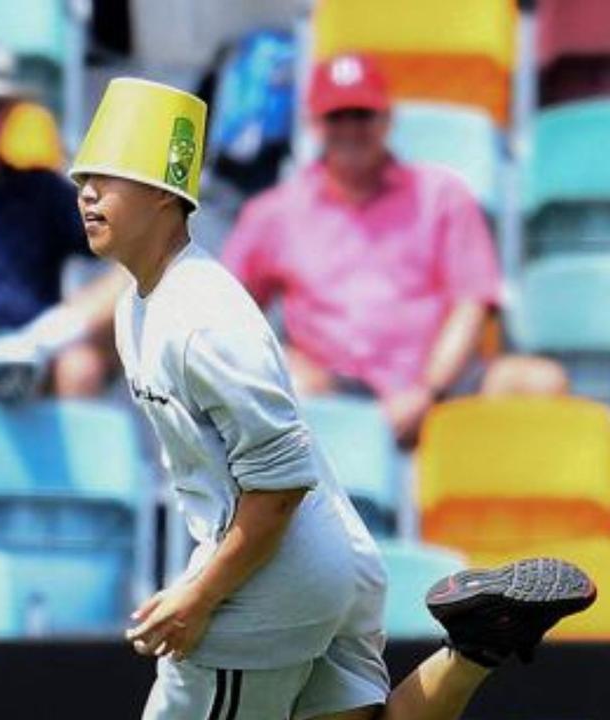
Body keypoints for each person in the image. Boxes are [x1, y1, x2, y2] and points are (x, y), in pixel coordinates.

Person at [69, 76, 596, 720]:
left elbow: (278, 489)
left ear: (163, 196)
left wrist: (200, 596)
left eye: (108, 178)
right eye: (82, 180)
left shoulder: (202, 320)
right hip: (326, 558)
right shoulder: (140, 307)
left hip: (269, 582)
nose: (88, 194)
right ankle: (477, 647)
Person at [221, 54, 566, 446]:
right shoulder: (275, 212)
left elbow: (471, 304)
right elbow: (226, 315)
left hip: (442, 385)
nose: (350, 129)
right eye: (338, 116)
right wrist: (284, 358)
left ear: (387, 119)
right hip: (334, 387)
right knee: (281, 383)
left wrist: (427, 389)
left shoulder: (441, 195)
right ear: (315, 124)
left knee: (541, 383)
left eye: (362, 115)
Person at [0, 33, 126, 402]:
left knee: (81, 366)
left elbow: (134, 250)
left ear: (8, 110)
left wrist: (59, 331)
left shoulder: (43, 192)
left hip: (32, 358)